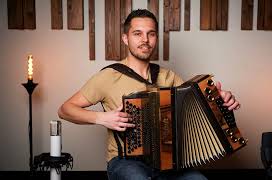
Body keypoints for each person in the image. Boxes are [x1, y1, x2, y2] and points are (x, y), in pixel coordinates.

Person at [58, 9, 240, 180]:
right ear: (125, 38)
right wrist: (101, 118)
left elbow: (196, 108)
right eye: (137, 33)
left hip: (170, 161)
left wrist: (219, 100)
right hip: (125, 162)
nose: (145, 39)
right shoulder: (108, 76)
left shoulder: (169, 77)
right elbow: (65, 109)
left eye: (151, 34)